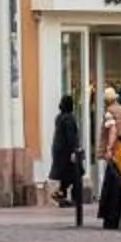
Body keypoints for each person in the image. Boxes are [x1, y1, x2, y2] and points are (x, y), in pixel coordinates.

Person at [49, 93, 84, 221]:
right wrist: (74, 150)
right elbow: (71, 137)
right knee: (76, 174)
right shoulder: (69, 118)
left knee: (66, 176)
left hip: (59, 151)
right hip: (67, 152)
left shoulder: (59, 117)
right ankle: (74, 198)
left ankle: (61, 194)